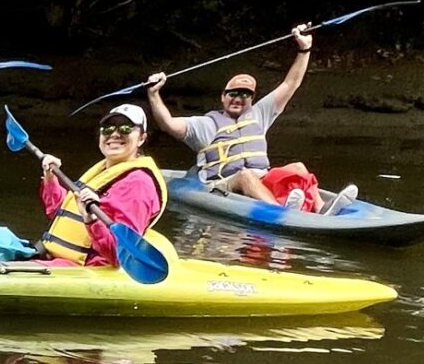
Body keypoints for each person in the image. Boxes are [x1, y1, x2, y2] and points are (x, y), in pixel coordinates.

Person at [144, 26, 352, 214]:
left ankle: (322, 208)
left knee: (298, 167)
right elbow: (168, 123)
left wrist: (304, 50)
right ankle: (281, 212)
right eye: (233, 93)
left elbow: (291, 84)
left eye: (244, 95)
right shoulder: (205, 124)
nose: (238, 99)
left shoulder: (259, 113)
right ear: (223, 96)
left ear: (252, 99)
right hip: (222, 185)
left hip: (261, 179)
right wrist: (154, 94)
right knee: (245, 175)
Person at [35, 104, 167, 267]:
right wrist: (50, 179)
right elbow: (59, 213)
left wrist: (91, 220)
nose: (115, 134)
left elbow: (120, 254)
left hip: (86, 269)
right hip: (53, 257)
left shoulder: (138, 185)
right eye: (107, 129)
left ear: (141, 138)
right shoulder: (104, 171)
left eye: (125, 129)